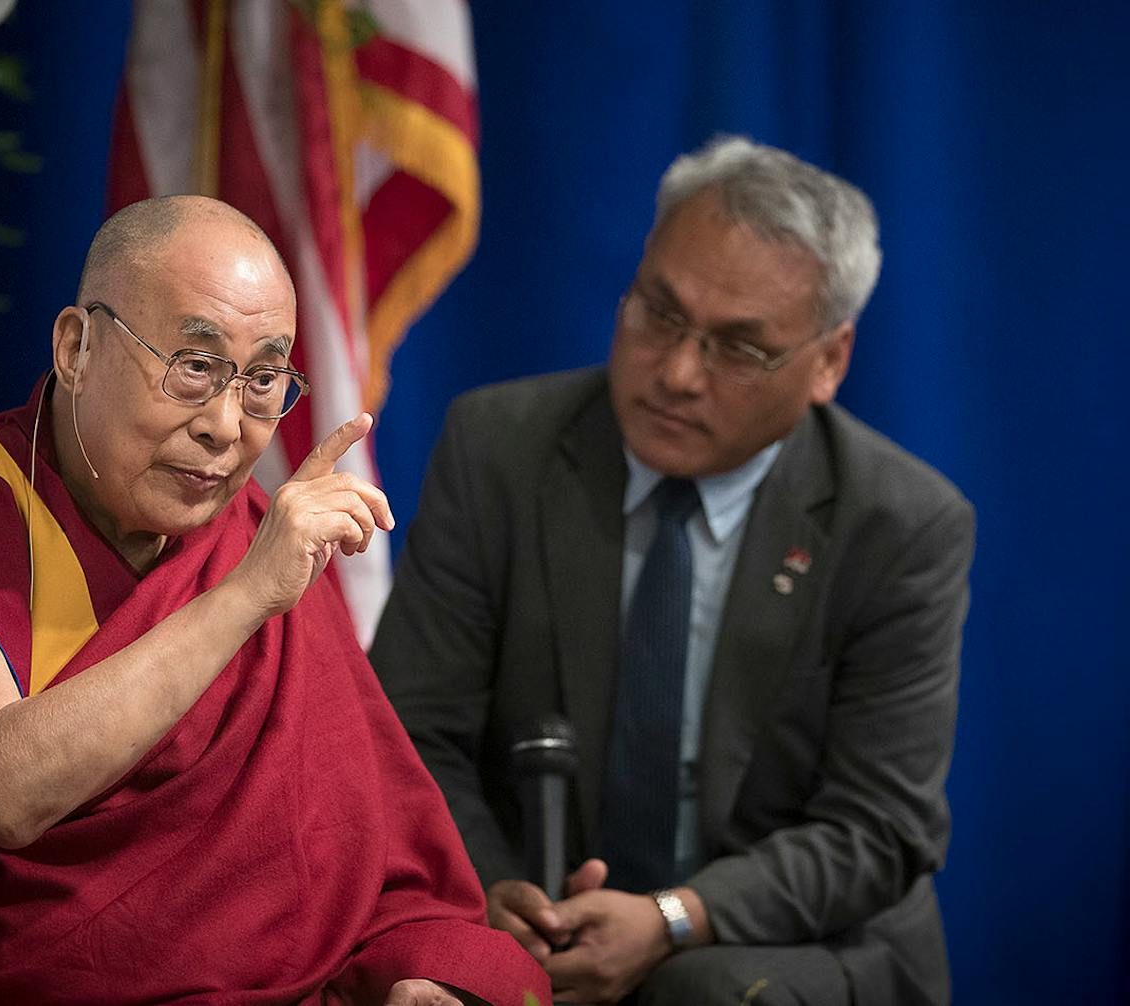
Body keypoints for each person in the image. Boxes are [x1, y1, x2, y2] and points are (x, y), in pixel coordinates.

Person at [0, 196, 549, 1006]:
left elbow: (371, 860)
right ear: (77, 347)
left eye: (263, 379)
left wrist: (415, 975)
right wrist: (247, 597)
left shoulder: (249, 538)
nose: (225, 425)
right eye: (195, 366)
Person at [369, 136, 974, 1006]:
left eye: (740, 349)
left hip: (785, 941)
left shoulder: (901, 525)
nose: (679, 373)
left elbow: (880, 828)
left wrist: (676, 917)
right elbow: (413, 731)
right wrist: (497, 898)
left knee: (699, 993)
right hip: (535, 913)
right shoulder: (498, 448)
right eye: (659, 313)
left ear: (829, 362)